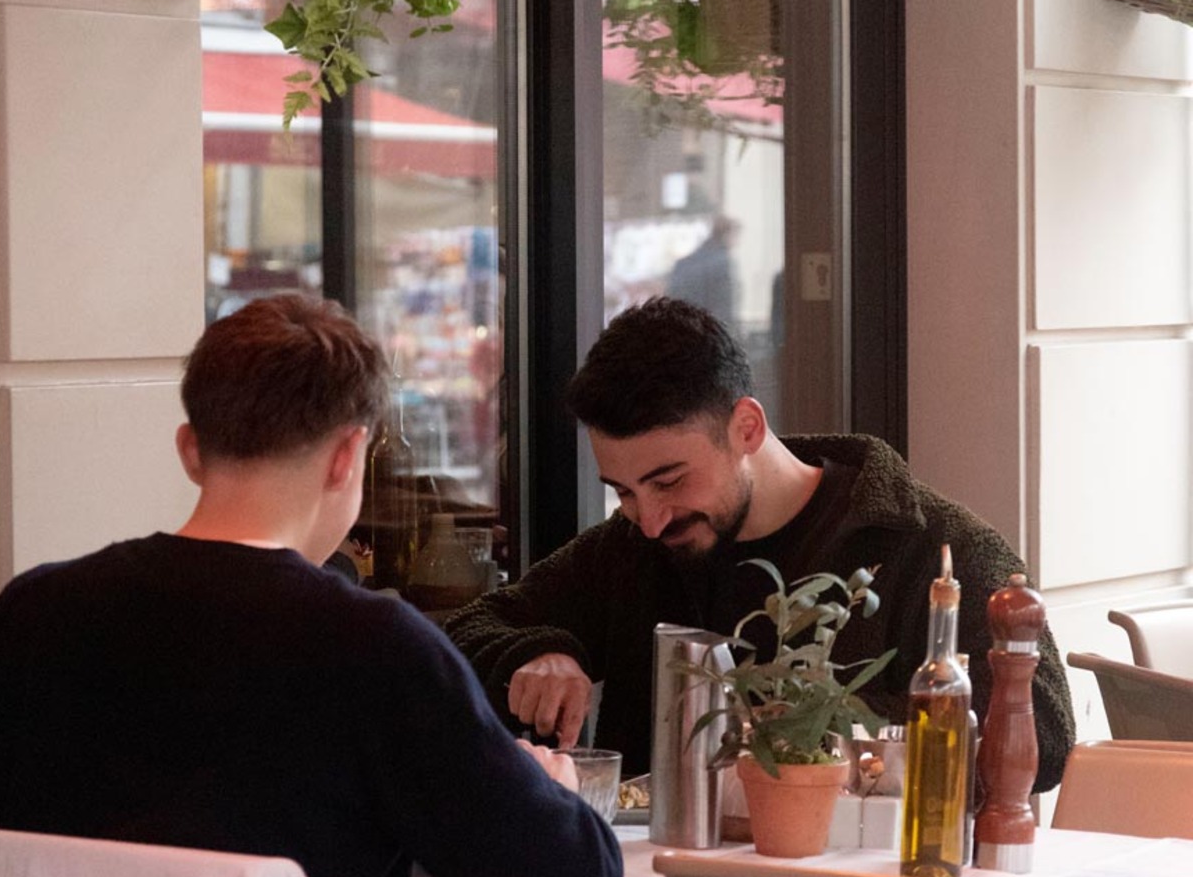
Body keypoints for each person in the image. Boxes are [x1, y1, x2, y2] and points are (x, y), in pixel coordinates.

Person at [0, 294, 623, 877]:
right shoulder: (375, 650)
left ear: (190, 448)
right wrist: (554, 795)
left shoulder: (32, 611)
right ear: (347, 456)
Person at [446, 296, 1076, 793]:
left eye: (669, 480)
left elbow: (1045, 732)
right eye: (623, 491)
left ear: (746, 427)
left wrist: (816, 724)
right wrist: (539, 651)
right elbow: (462, 634)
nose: (649, 520)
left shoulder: (936, 548)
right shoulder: (630, 548)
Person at [666, 215, 739, 329]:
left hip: (685, 326)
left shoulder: (686, 262)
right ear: (726, 235)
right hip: (710, 329)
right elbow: (724, 306)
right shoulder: (722, 263)